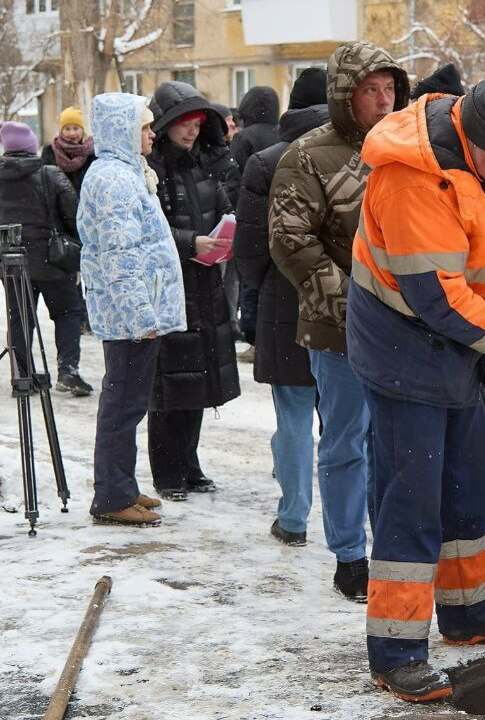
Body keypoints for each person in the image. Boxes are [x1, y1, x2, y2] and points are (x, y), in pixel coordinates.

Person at [348, 70, 485, 703]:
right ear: (474, 135)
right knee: (412, 501)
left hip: (455, 355)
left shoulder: (476, 160)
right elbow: (438, 298)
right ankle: (395, 651)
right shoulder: (412, 179)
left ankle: (471, 613)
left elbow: (471, 233)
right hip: (404, 353)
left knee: (470, 484)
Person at [269, 41, 409, 603]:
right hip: (340, 328)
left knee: (399, 443)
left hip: (408, 325)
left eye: (389, 89)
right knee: (347, 442)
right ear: (344, 95)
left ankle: (397, 544)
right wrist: (354, 304)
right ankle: (350, 554)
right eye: (370, 90)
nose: (382, 101)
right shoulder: (308, 156)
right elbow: (290, 240)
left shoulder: (412, 150)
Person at [78, 92, 184, 527]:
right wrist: (142, 317)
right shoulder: (113, 180)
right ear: (123, 130)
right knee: (122, 404)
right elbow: (120, 256)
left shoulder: (125, 173)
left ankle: (120, 482)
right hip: (131, 317)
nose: (152, 134)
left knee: (128, 403)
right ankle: (111, 495)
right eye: (144, 127)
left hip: (136, 312)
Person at [234, 68, 327, 548]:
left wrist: (266, 285)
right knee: (346, 422)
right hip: (346, 305)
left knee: (291, 417)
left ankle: (293, 519)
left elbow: (248, 250)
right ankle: (346, 521)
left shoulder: (267, 161)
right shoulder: (357, 156)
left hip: (284, 302)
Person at [146, 81, 242, 502]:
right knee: (170, 384)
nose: (190, 130)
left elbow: (222, 209)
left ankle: (189, 463)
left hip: (205, 282)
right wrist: (191, 243)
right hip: (169, 287)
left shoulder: (202, 164)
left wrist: (226, 238)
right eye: (183, 122)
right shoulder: (151, 169)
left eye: (197, 122)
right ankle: (167, 472)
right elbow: (149, 229)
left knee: (198, 379)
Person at [0, 121, 93, 397]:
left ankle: (23, 376)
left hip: (12, 263)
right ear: (30, 147)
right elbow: (74, 214)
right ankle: (68, 371)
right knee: (68, 313)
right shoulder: (49, 174)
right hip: (52, 261)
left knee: (20, 318)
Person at [229, 86, 281, 347]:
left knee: (251, 277)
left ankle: (254, 335)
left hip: (252, 213)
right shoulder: (282, 134)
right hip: (280, 215)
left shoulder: (244, 138)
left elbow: (234, 178)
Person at [42, 107, 96, 193]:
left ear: (82, 130)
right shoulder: (50, 151)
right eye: (67, 129)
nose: (72, 133)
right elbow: (45, 183)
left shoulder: (92, 152)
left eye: (76, 128)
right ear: (61, 131)